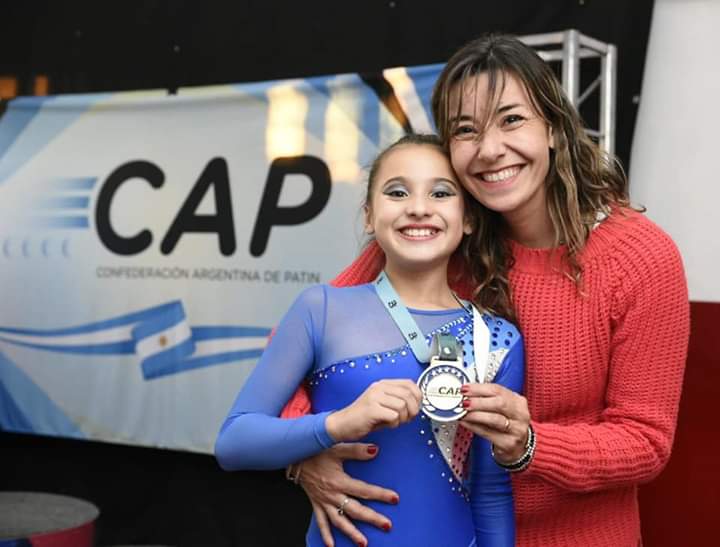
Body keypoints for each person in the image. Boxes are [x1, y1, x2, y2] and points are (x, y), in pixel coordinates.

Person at [285, 34, 690, 547]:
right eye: (465, 129)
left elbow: (645, 442)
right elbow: (293, 347)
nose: (490, 149)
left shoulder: (640, 257)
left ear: (554, 128)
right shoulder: (437, 236)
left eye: (512, 120)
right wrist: (307, 451)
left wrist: (529, 445)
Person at [215, 134, 525, 547]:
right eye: (397, 192)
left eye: (440, 192)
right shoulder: (320, 308)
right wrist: (338, 424)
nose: (418, 207)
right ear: (368, 215)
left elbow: (492, 492)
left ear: (468, 217)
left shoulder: (498, 340)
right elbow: (234, 442)